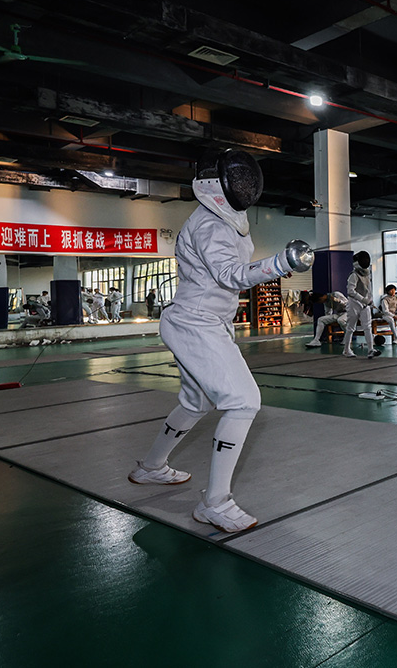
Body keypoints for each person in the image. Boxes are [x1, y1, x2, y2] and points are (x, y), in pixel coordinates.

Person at [126, 148, 313, 533]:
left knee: (196, 402)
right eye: (238, 181)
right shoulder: (209, 224)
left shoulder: (226, 220)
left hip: (204, 321)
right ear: (218, 184)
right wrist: (280, 263)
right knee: (244, 401)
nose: (245, 187)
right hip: (195, 323)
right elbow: (231, 275)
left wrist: (275, 265)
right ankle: (215, 503)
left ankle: (151, 467)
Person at [342, 250, 381, 359]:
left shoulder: (367, 274)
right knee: (351, 327)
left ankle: (370, 350)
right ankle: (346, 350)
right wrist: (363, 300)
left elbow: (368, 289)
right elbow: (350, 291)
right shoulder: (353, 275)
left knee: (367, 327)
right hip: (354, 304)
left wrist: (370, 300)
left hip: (365, 305)